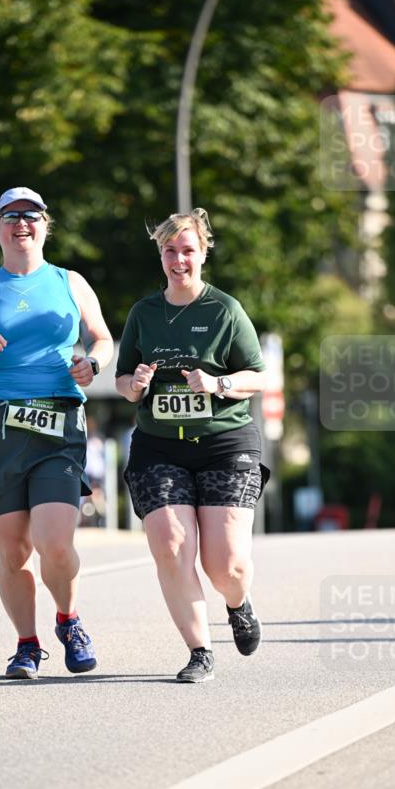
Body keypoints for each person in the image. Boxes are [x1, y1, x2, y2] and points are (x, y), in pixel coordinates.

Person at [0, 186, 113, 680]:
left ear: (45, 225)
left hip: (58, 421)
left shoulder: (70, 282)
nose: (21, 224)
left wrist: (92, 362)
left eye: (31, 216)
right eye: (10, 217)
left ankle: (69, 620)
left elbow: (102, 337)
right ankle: (26, 646)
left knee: (56, 544)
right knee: (13, 550)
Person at [115, 208, 268, 683]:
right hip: (159, 446)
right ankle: (199, 651)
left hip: (224, 442)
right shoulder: (143, 313)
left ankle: (238, 604)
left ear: (203, 253)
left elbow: (258, 377)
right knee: (172, 544)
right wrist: (135, 383)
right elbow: (122, 381)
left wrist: (217, 384)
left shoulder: (224, 310)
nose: (178, 260)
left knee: (225, 565)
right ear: (160, 255)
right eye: (169, 251)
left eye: (187, 250)